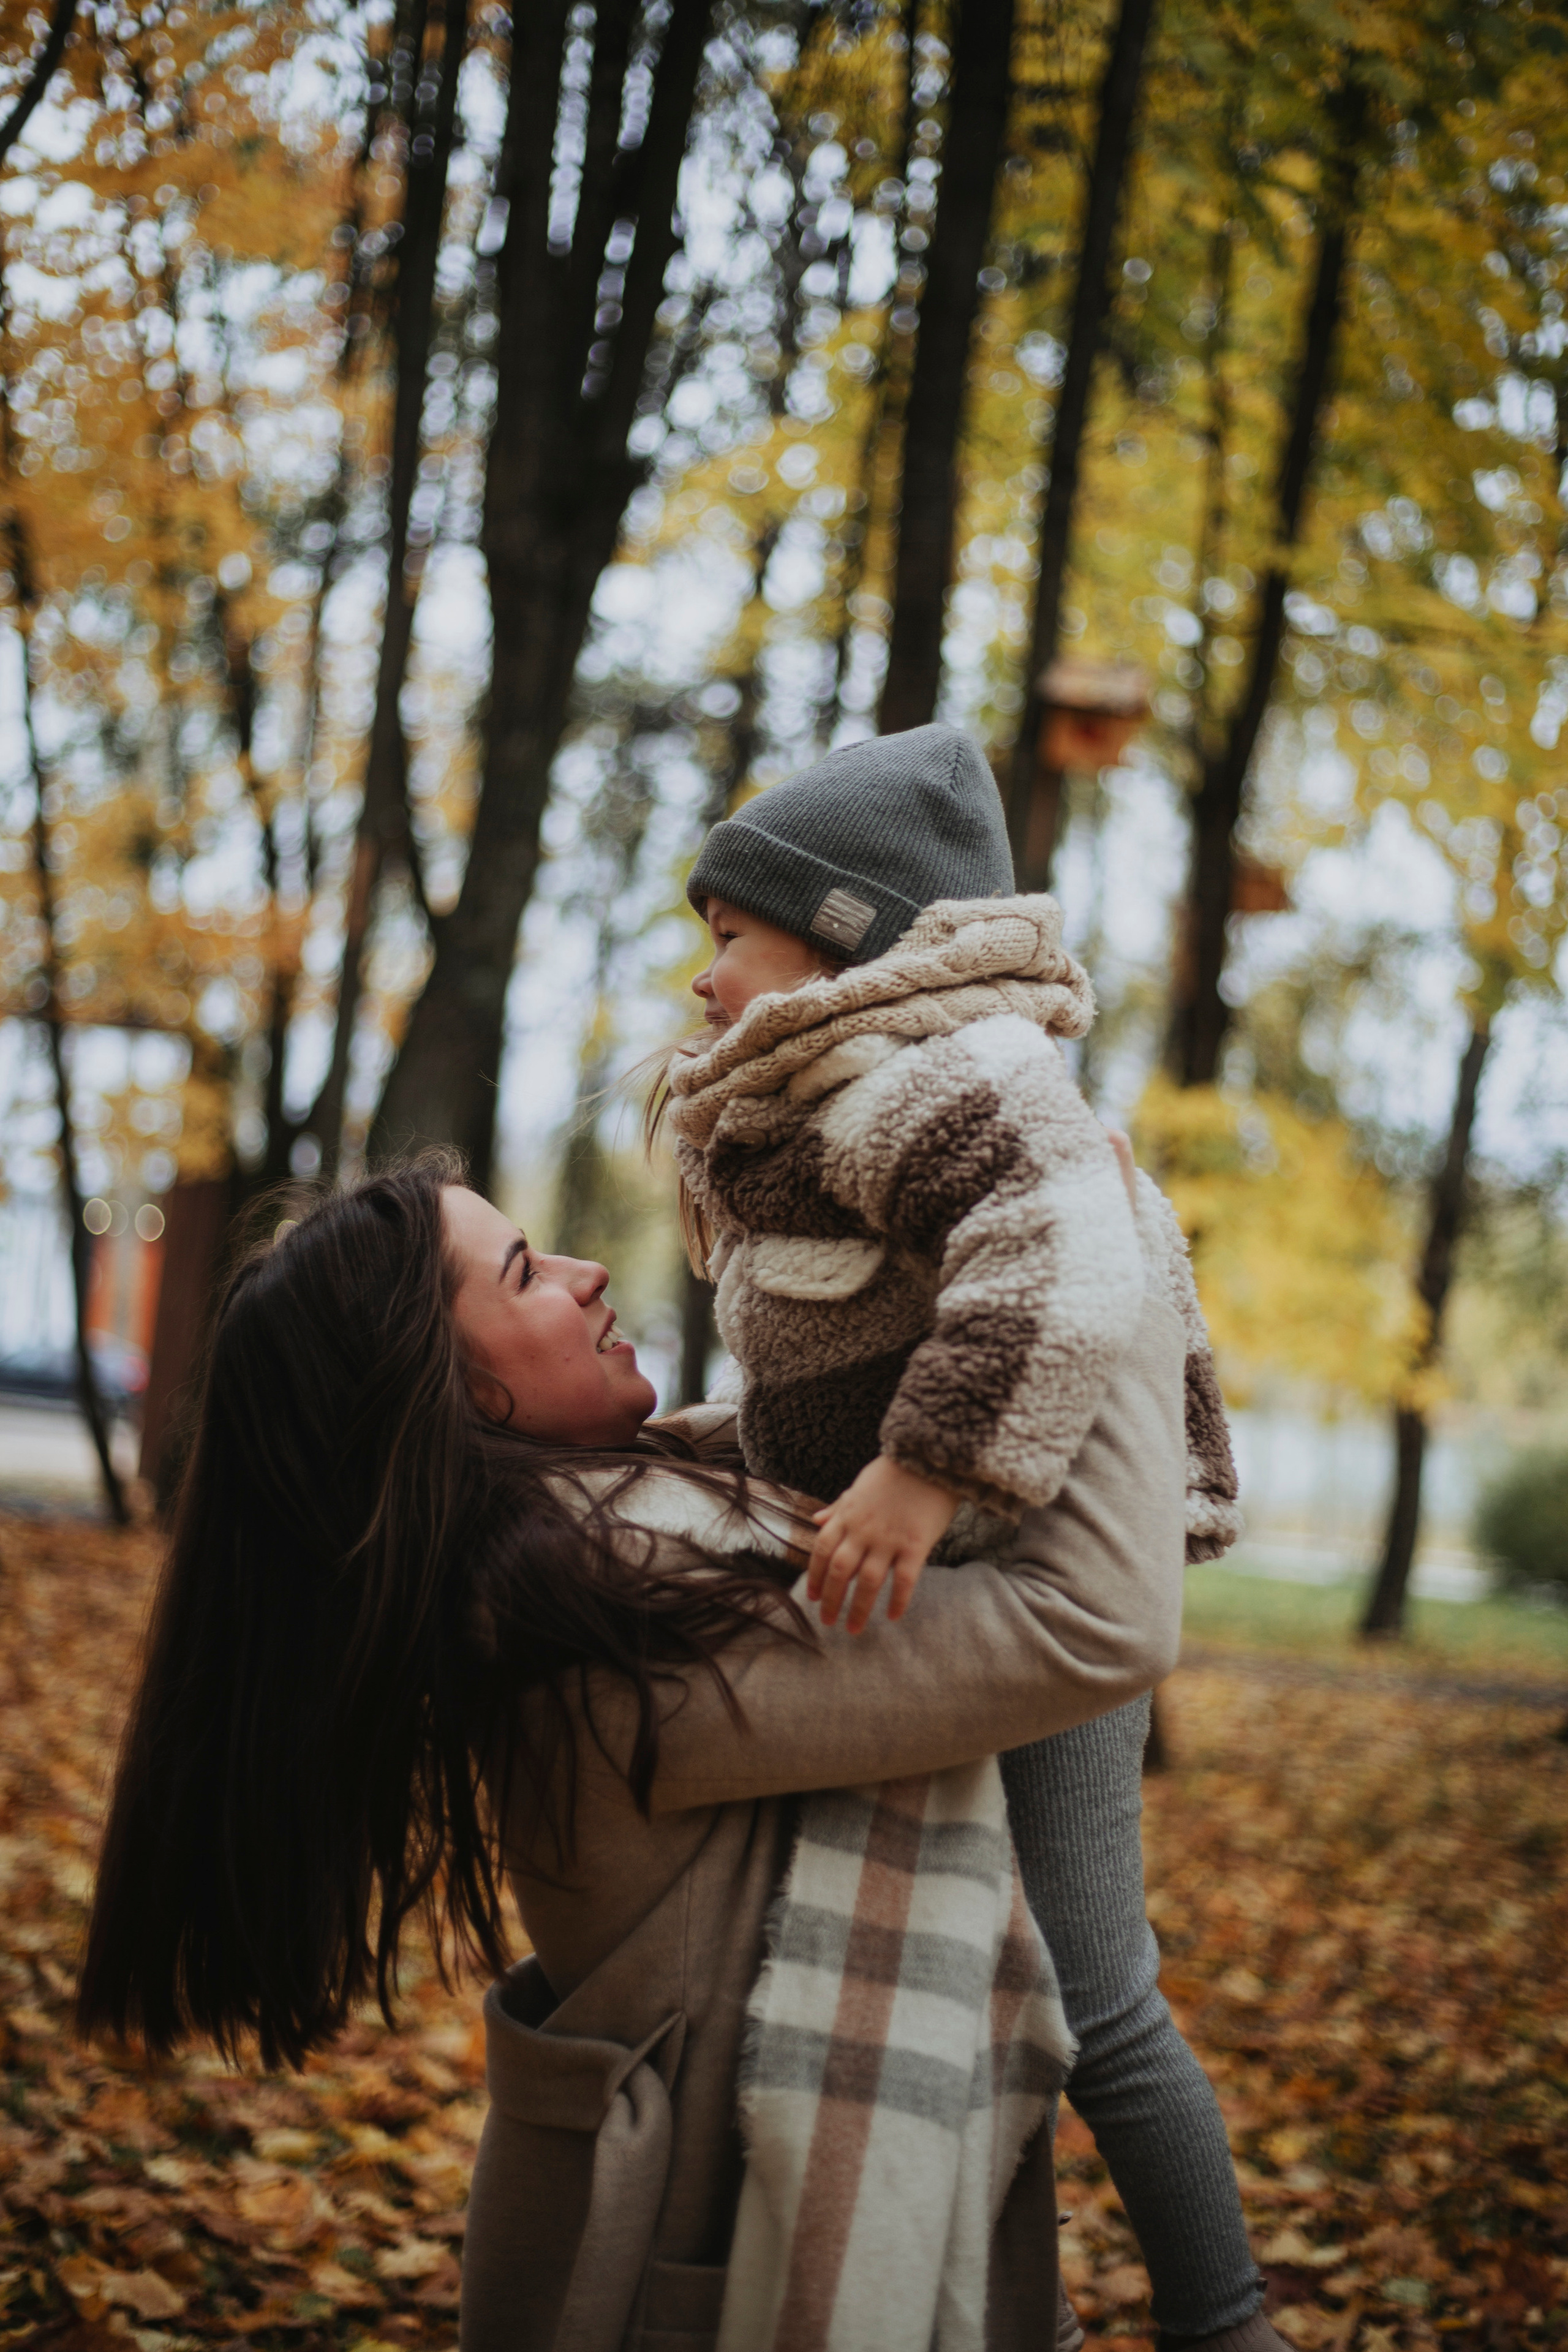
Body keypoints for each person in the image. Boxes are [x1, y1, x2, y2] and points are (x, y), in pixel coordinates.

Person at [77, 1156, 1189, 2351]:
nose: (587, 1270)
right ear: (453, 1393)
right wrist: (1095, 1257)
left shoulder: (601, 1539)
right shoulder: (623, 1616)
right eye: (526, 1274)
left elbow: (831, 1438)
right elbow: (1095, 1622)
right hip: (729, 2282)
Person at [666, 723, 1283, 2352]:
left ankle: (1228, 2329)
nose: (706, 979)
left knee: (1097, 1994)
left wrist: (929, 1475)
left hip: (1023, 1585)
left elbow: (1056, 1251)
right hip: (946, 1586)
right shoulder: (842, 1097)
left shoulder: (944, 1075)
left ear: (846, 934)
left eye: (729, 937)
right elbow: (847, 1370)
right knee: (949, 1984)